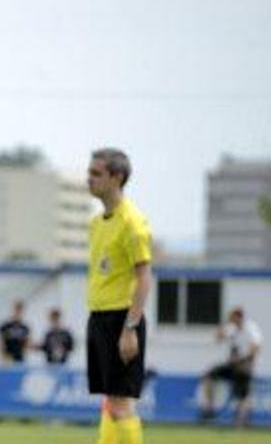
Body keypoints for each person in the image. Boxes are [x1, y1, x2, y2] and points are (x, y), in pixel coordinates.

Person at [85, 148, 153, 444]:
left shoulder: (132, 223)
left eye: (96, 173)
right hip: (99, 316)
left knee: (122, 403)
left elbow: (144, 277)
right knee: (110, 401)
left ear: (117, 177)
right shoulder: (97, 223)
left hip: (121, 318)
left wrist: (130, 328)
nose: (89, 179)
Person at [200, 307, 263, 427]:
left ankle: (241, 422)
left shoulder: (250, 328)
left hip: (244, 366)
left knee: (243, 395)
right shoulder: (233, 328)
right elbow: (218, 338)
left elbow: (255, 348)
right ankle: (210, 408)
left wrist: (241, 358)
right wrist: (224, 324)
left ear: (239, 317)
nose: (231, 319)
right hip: (233, 365)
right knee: (208, 376)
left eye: (232, 317)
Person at [0, 300, 31, 365]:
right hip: (7, 357)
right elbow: (0, 343)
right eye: (16, 309)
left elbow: (27, 344)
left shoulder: (25, 328)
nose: (18, 312)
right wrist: (3, 356)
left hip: (19, 358)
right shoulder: (5, 326)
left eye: (20, 310)